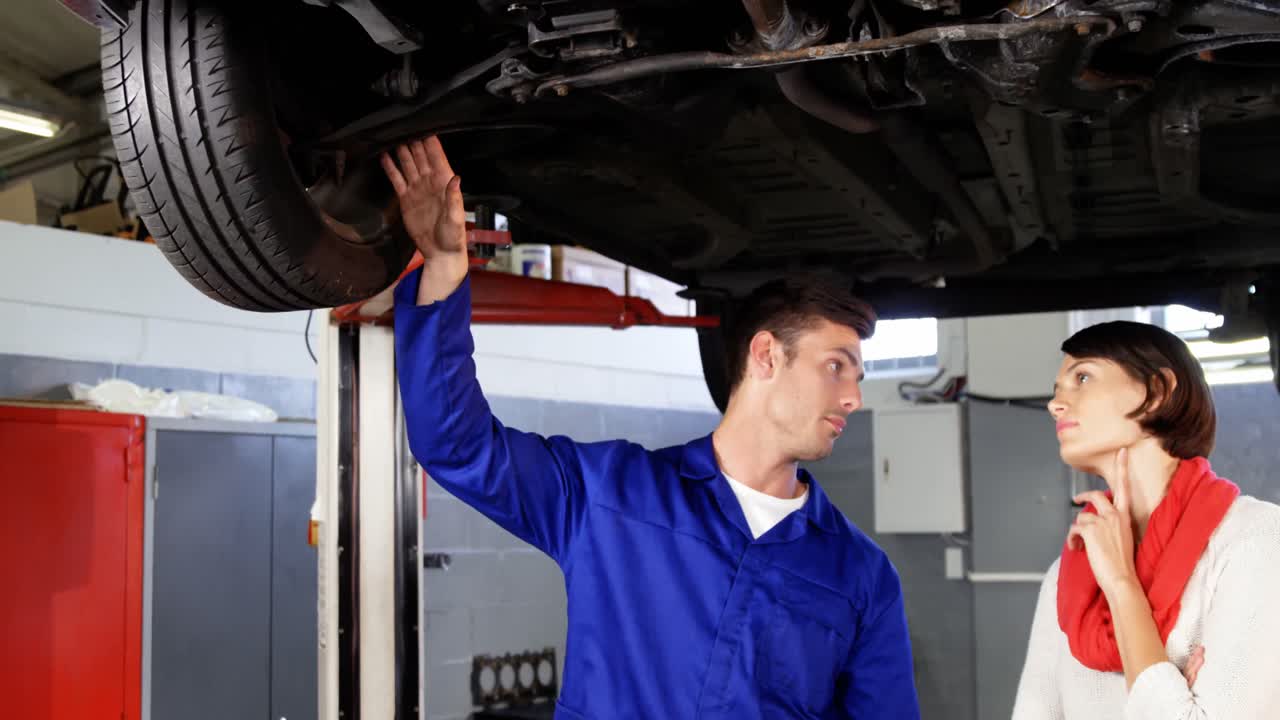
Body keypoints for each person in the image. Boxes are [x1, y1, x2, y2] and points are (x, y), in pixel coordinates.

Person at [381, 136, 921, 719]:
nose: (854, 397)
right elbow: (455, 446)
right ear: (766, 355)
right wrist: (442, 266)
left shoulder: (860, 574)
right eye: (836, 367)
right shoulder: (610, 494)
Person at [1012, 320, 1280, 719]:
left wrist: (1121, 585)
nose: (1056, 404)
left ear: (1157, 391)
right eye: (1056, 393)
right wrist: (1170, 690)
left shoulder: (1254, 540)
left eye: (1082, 377)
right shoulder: (1068, 573)